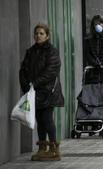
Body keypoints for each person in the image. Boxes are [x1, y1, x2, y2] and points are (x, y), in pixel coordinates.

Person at [19, 23, 64, 161]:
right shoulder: (30, 51)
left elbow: (51, 71)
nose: (38, 36)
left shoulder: (52, 51)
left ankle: (54, 149)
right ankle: (42, 148)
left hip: (48, 92)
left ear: (47, 35)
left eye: (41, 33)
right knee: (39, 120)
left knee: (47, 119)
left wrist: (35, 82)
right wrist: (26, 86)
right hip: (34, 92)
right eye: (36, 33)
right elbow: (23, 70)